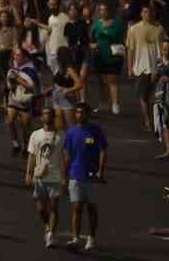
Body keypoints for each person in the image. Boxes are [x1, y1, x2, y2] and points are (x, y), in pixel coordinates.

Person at [64, 102, 108, 252]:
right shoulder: (71, 132)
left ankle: (91, 238)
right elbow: (67, 155)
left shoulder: (96, 131)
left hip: (91, 177)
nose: (79, 115)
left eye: (82, 113)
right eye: (77, 113)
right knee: (76, 207)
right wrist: (65, 174)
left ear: (88, 115)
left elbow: (103, 151)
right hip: (75, 175)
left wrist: (100, 171)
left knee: (91, 209)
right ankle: (76, 237)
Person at [25, 106, 66, 248]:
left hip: (55, 176)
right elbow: (32, 156)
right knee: (41, 209)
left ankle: (50, 235)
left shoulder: (61, 135)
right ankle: (48, 225)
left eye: (49, 114)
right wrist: (28, 174)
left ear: (53, 117)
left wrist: (64, 176)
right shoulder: (35, 135)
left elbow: (65, 157)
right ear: (41, 117)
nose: (47, 116)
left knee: (54, 207)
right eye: (44, 114)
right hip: (39, 176)